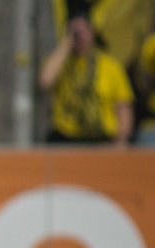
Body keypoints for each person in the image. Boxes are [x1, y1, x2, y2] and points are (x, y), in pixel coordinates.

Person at [39, 8, 135, 146]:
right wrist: (66, 43)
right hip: (66, 138)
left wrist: (121, 140)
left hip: (101, 140)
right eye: (76, 33)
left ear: (92, 32)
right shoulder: (61, 62)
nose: (80, 36)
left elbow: (123, 106)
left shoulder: (110, 66)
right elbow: (46, 81)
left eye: (84, 31)